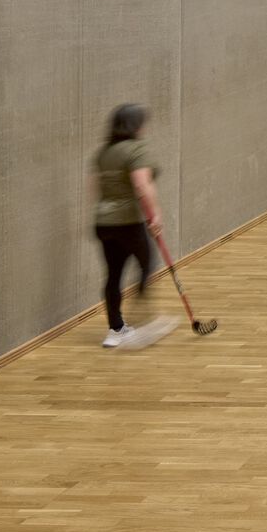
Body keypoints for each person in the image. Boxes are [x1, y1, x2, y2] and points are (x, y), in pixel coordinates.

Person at [91, 103, 176, 349]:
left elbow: (94, 189)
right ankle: (142, 315)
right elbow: (142, 185)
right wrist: (155, 215)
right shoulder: (137, 149)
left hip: (102, 222)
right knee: (146, 263)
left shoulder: (104, 152)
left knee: (113, 274)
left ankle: (115, 330)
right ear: (136, 125)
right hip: (127, 220)